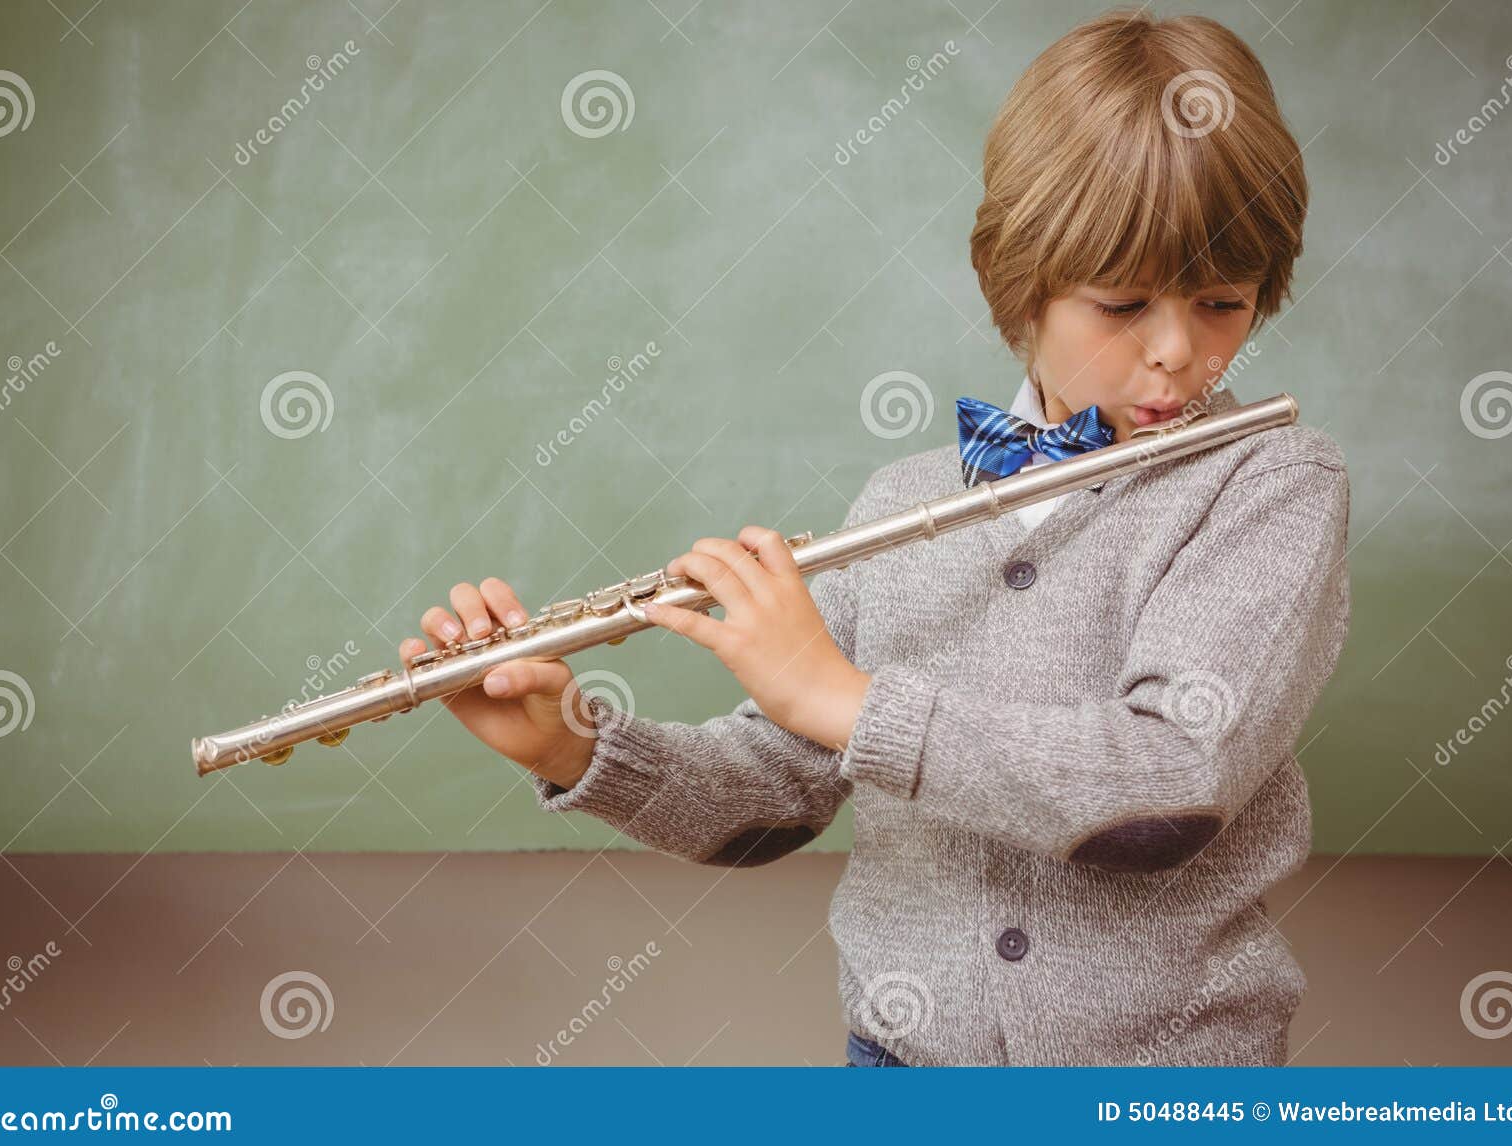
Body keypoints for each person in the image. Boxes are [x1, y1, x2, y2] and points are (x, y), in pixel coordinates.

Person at [399, 7, 1349, 1066]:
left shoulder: (1270, 482)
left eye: (1223, 302)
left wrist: (848, 699)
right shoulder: (904, 498)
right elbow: (775, 792)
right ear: (1020, 280)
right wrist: (575, 740)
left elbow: (1172, 780)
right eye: (1123, 302)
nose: (1177, 352)